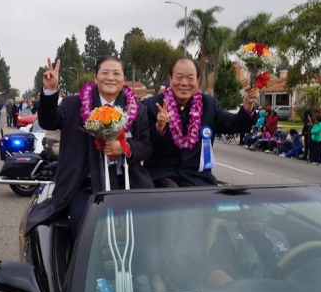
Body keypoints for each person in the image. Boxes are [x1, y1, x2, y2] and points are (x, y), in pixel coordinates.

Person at [30, 56, 155, 241]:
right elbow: (48, 122)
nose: (110, 77)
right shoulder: (73, 105)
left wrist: (125, 147)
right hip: (83, 185)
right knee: (83, 225)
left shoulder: (138, 109)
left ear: (124, 79)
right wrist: (50, 91)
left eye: (116, 73)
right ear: (96, 77)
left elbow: (146, 146)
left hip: (126, 183)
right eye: (104, 73)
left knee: (147, 225)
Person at [142, 57, 259, 187]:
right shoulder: (151, 106)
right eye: (179, 77)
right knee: (171, 193)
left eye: (190, 78)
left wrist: (248, 105)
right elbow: (145, 147)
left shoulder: (209, 105)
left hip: (196, 178)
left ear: (197, 80)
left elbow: (235, 124)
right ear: (170, 78)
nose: (184, 83)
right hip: (161, 177)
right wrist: (160, 127)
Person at [206, 205, 290, 288]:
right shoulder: (228, 235)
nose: (257, 214)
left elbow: (294, 273)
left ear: (268, 213)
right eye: (251, 207)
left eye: (262, 208)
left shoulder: (281, 236)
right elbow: (216, 275)